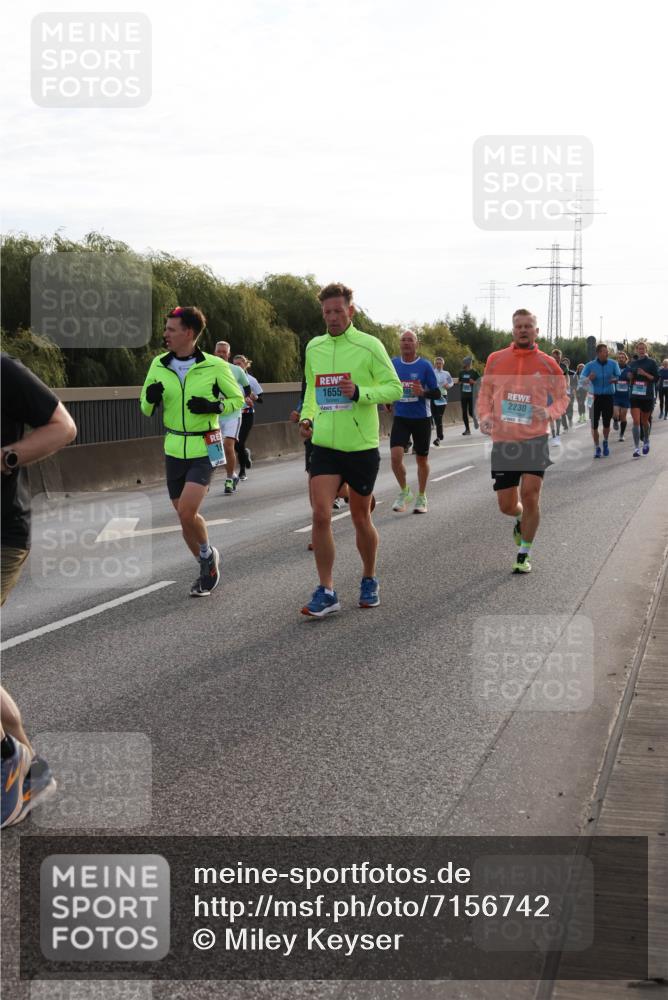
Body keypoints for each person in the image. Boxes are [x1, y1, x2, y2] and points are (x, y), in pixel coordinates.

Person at [1, 354, 77, 828]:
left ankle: (10, 761)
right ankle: (24, 765)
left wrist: (7, 456)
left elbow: (62, 426)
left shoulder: (2, 371)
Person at [299, 282, 402, 616]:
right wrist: (307, 416)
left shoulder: (369, 346)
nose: (332, 318)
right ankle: (326, 590)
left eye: (338, 311)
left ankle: (369, 578)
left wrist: (360, 392)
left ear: (351, 311)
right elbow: (312, 392)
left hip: (360, 446)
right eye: (327, 312)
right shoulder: (314, 347)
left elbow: (394, 389)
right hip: (325, 445)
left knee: (360, 517)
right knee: (320, 514)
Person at [141, 307, 244, 596]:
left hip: (206, 443)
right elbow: (144, 407)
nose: (165, 334)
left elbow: (239, 399)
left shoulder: (215, 365)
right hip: (174, 445)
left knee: (188, 510)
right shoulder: (158, 364)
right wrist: (150, 399)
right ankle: (206, 557)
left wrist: (215, 407)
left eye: (171, 329)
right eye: (166, 329)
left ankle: (206, 561)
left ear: (188, 333)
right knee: (183, 515)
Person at [478, 309, 568, 574]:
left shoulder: (548, 364)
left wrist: (549, 412)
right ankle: (518, 518)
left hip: (534, 439)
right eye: (519, 326)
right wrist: (484, 416)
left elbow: (563, 397)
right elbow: (485, 393)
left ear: (536, 331)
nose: (524, 330)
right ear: (513, 330)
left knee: (530, 495)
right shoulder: (495, 360)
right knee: (507, 504)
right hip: (504, 440)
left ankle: (523, 553)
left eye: (529, 326)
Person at [389, 330, 441, 514]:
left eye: (410, 340)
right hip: (401, 417)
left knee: (421, 459)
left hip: (421, 418)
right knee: (395, 457)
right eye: (403, 340)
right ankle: (405, 492)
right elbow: (389, 385)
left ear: (416, 344)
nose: (406, 343)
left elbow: (437, 393)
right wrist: (388, 400)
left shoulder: (425, 366)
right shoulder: (393, 363)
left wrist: (423, 393)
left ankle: (421, 496)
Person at [214, 341, 253, 493]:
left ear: (228, 354)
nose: (221, 354)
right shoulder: (207, 369)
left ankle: (229, 479)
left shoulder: (236, 370)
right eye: (219, 352)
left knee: (228, 445)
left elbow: (247, 387)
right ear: (214, 353)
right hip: (214, 415)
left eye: (224, 352)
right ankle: (233, 475)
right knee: (215, 450)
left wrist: (245, 398)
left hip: (233, 414)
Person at [580, 344, 620, 458]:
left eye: (607, 351)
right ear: (598, 353)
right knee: (594, 425)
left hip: (608, 397)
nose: (606, 353)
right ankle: (597, 447)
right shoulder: (589, 365)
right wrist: (589, 379)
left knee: (607, 423)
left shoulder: (613, 364)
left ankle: (605, 441)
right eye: (603, 351)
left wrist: (615, 380)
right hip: (594, 397)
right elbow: (581, 383)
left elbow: (619, 377)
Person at [233, 354, 263, 480]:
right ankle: (245, 453)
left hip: (247, 415)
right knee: (234, 444)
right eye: (234, 364)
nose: (236, 366)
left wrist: (254, 397)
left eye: (239, 364)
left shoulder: (251, 380)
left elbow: (261, 399)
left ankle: (242, 471)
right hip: (232, 414)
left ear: (245, 365)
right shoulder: (228, 378)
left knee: (239, 442)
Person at [628, 340, 659, 457]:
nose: (641, 350)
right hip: (635, 395)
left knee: (644, 421)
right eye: (639, 349)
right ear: (637, 350)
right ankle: (636, 448)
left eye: (643, 349)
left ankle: (646, 440)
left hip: (647, 396)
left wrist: (645, 374)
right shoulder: (633, 363)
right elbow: (630, 378)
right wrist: (630, 376)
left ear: (646, 350)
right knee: (636, 422)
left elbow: (655, 379)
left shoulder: (652, 362)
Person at [431, 357, 454, 445]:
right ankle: (440, 435)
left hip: (443, 396)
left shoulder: (446, 373)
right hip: (433, 396)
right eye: (437, 363)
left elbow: (451, 382)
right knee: (434, 416)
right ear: (435, 364)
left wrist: (448, 386)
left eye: (440, 363)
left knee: (439, 417)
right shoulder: (432, 373)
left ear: (443, 364)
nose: (438, 365)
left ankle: (438, 438)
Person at [612, 350, 632, 442]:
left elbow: (632, 381)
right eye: (619, 357)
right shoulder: (614, 369)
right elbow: (610, 378)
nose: (621, 359)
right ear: (617, 359)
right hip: (616, 395)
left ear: (626, 359)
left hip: (625, 396)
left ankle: (621, 434)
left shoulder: (629, 369)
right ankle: (615, 421)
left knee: (623, 416)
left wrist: (630, 378)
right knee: (616, 414)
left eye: (622, 357)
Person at [458, 356, 480, 434]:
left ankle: (475, 420)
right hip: (463, 395)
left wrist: (474, 382)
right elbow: (459, 381)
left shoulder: (474, 372)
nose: (464, 364)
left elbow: (480, 383)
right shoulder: (461, 372)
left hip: (472, 396)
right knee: (464, 412)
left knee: (471, 411)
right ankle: (467, 430)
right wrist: (461, 383)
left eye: (465, 362)